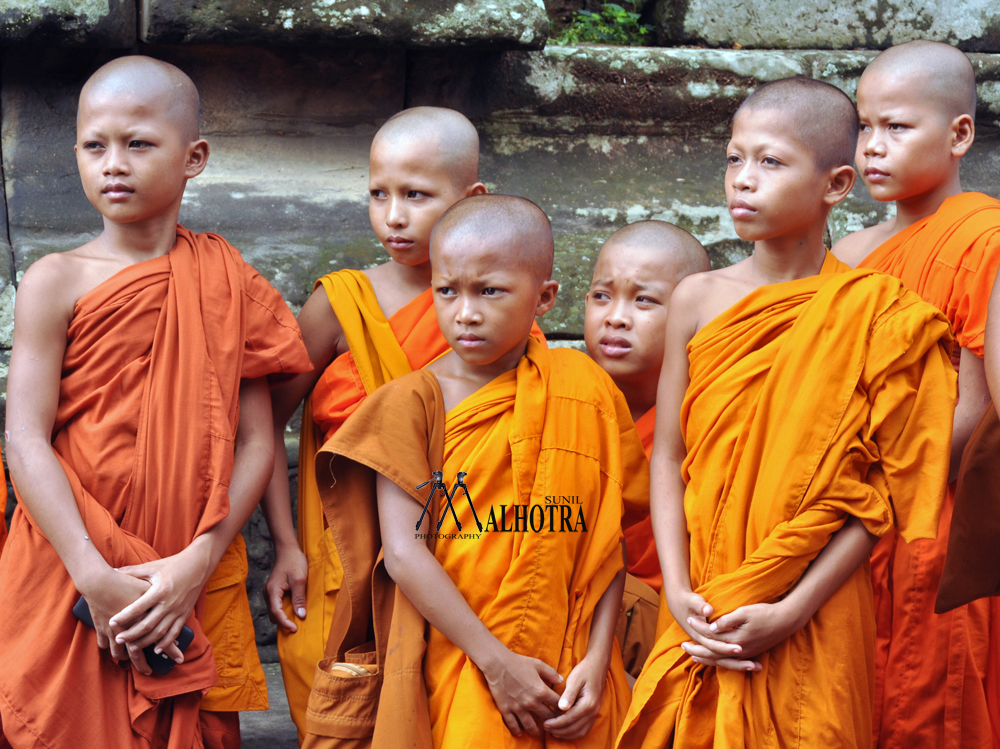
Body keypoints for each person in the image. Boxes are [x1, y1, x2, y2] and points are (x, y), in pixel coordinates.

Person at [617, 77, 956, 748]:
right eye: (734, 158)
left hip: (819, 608)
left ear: (835, 185)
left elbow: (878, 494)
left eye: (770, 162)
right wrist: (681, 592)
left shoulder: (876, 312)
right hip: (703, 595)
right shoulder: (697, 297)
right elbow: (669, 454)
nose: (742, 179)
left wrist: (792, 609)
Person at [0, 56, 311, 749]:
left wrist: (198, 560)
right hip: (69, 563)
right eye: (94, 145)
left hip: (185, 571)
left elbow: (255, 441)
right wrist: (92, 571)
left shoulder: (224, 281)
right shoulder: (55, 280)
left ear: (193, 157)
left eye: (138, 143)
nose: (114, 163)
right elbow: (23, 437)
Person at [301, 194, 648, 747]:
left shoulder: (585, 389)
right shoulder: (410, 404)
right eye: (447, 290)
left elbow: (604, 542)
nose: (465, 312)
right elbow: (405, 553)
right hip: (459, 657)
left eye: (490, 291)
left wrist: (598, 659)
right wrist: (497, 663)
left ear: (545, 299)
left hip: (574, 672)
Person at [258, 106, 496, 739]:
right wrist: (284, 545)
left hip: (459, 568)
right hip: (337, 568)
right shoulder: (340, 302)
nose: (393, 216)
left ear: (472, 198)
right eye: (378, 194)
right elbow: (260, 430)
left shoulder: (497, 312)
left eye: (416, 196)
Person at [832, 40, 1000, 748]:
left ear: (959, 133)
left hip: (931, 521)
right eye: (865, 127)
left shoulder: (985, 235)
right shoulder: (843, 254)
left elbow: (983, 403)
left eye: (897, 128)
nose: (874, 147)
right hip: (839, 529)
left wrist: (886, 478)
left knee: (924, 713)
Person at [583, 220, 709, 678]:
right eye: (601, 295)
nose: (615, 316)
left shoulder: (706, 422)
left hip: (676, 642)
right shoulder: (556, 402)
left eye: (644, 300)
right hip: (571, 639)